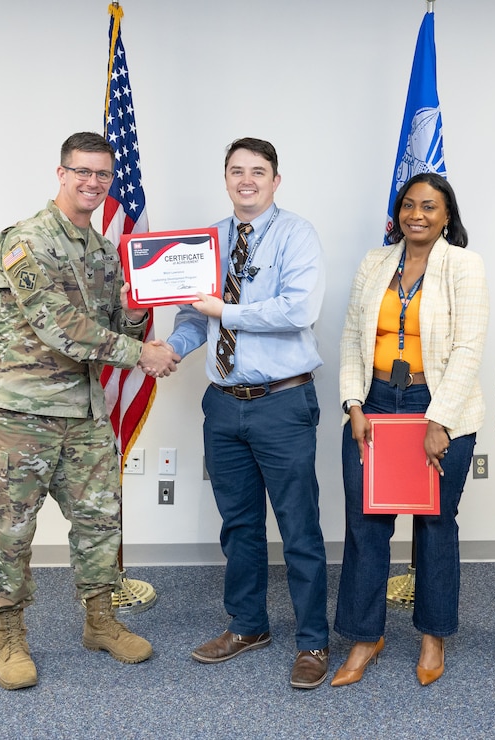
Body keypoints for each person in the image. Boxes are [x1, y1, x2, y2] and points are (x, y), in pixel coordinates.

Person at [0, 132, 180, 690]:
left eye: (102, 175)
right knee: (10, 531)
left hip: (84, 410)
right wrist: (145, 354)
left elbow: (115, 325)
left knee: (99, 522)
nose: (93, 183)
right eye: (82, 172)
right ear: (61, 174)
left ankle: (100, 620)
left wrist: (142, 311)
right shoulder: (26, 241)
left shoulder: (104, 252)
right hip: (20, 412)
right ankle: (10, 635)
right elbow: (60, 328)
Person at [166, 137, 330, 689]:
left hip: (282, 402)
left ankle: (312, 640)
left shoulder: (297, 234)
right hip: (223, 404)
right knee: (238, 525)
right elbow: (197, 318)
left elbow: (299, 310)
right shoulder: (207, 241)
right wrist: (173, 347)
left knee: (298, 526)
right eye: (237, 171)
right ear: (226, 177)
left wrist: (224, 309)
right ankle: (248, 624)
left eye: (258, 172)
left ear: (276, 180)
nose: (247, 180)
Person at [332, 173, 488, 688]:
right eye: (408, 205)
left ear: (447, 216)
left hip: (436, 405)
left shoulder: (463, 266)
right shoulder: (374, 263)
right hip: (374, 403)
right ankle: (363, 635)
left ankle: (433, 635)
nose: (416, 214)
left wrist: (438, 420)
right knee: (365, 522)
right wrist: (353, 403)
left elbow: (468, 349)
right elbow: (352, 337)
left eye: (429, 207)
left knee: (437, 524)